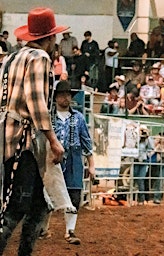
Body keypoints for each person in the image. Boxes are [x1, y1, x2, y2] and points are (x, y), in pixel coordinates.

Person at [0, 7, 66, 255]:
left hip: (5, 136)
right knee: (17, 206)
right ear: (49, 38)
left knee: (39, 206)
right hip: (22, 141)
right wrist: (52, 139)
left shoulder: (11, 58)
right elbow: (36, 101)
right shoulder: (40, 59)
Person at [39, 81, 95, 245]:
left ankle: (70, 230)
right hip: (51, 159)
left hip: (73, 160)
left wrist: (91, 165)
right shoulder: (48, 117)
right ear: (56, 97)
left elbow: (87, 143)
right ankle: (43, 228)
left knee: (74, 195)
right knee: (46, 194)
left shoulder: (78, 118)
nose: (66, 98)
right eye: (62, 94)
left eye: (68, 95)